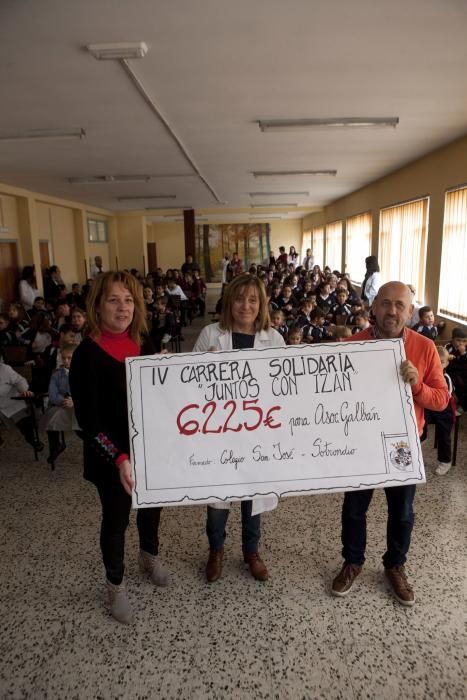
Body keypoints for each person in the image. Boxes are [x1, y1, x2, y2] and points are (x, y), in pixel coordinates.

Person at [331, 282, 449, 607]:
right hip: (361, 444)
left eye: (400, 305)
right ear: (373, 308)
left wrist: (418, 387)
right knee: (354, 509)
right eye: (385, 303)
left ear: (410, 312)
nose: (392, 311)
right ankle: (352, 561)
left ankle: (395, 565)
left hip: (403, 446)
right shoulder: (351, 345)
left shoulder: (424, 348)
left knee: (403, 513)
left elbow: (441, 400)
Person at [69, 271, 168, 625]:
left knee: (152, 508)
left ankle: (149, 555)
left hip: (149, 450)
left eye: (128, 300)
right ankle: (115, 584)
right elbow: (89, 422)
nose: (122, 307)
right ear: (97, 305)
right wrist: (121, 458)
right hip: (110, 456)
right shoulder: (86, 356)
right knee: (115, 520)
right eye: (113, 300)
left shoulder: (146, 343)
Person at [193, 273, 285, 583]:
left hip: (258, 433)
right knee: (218, 500)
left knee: (253, 496)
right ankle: (216, 550)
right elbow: (191, 385)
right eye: (239, 298)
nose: (245, 305)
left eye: (253, 299)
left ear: (262, 305)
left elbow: (286, 389)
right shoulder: (210, 335)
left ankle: (251, 551)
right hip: (220, 433)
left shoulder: (273, 339)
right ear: (229, 301)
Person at [421, 347, 456, 476]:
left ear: (446, 363)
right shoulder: (426, 374)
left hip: (444, 410)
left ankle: (445, 461)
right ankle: (419, 449)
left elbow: (445, 397)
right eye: (435, 361)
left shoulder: (446, 377)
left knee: (444, 436)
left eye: (441, 362)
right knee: (419, 424)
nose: (437, 364)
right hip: (429, 408)